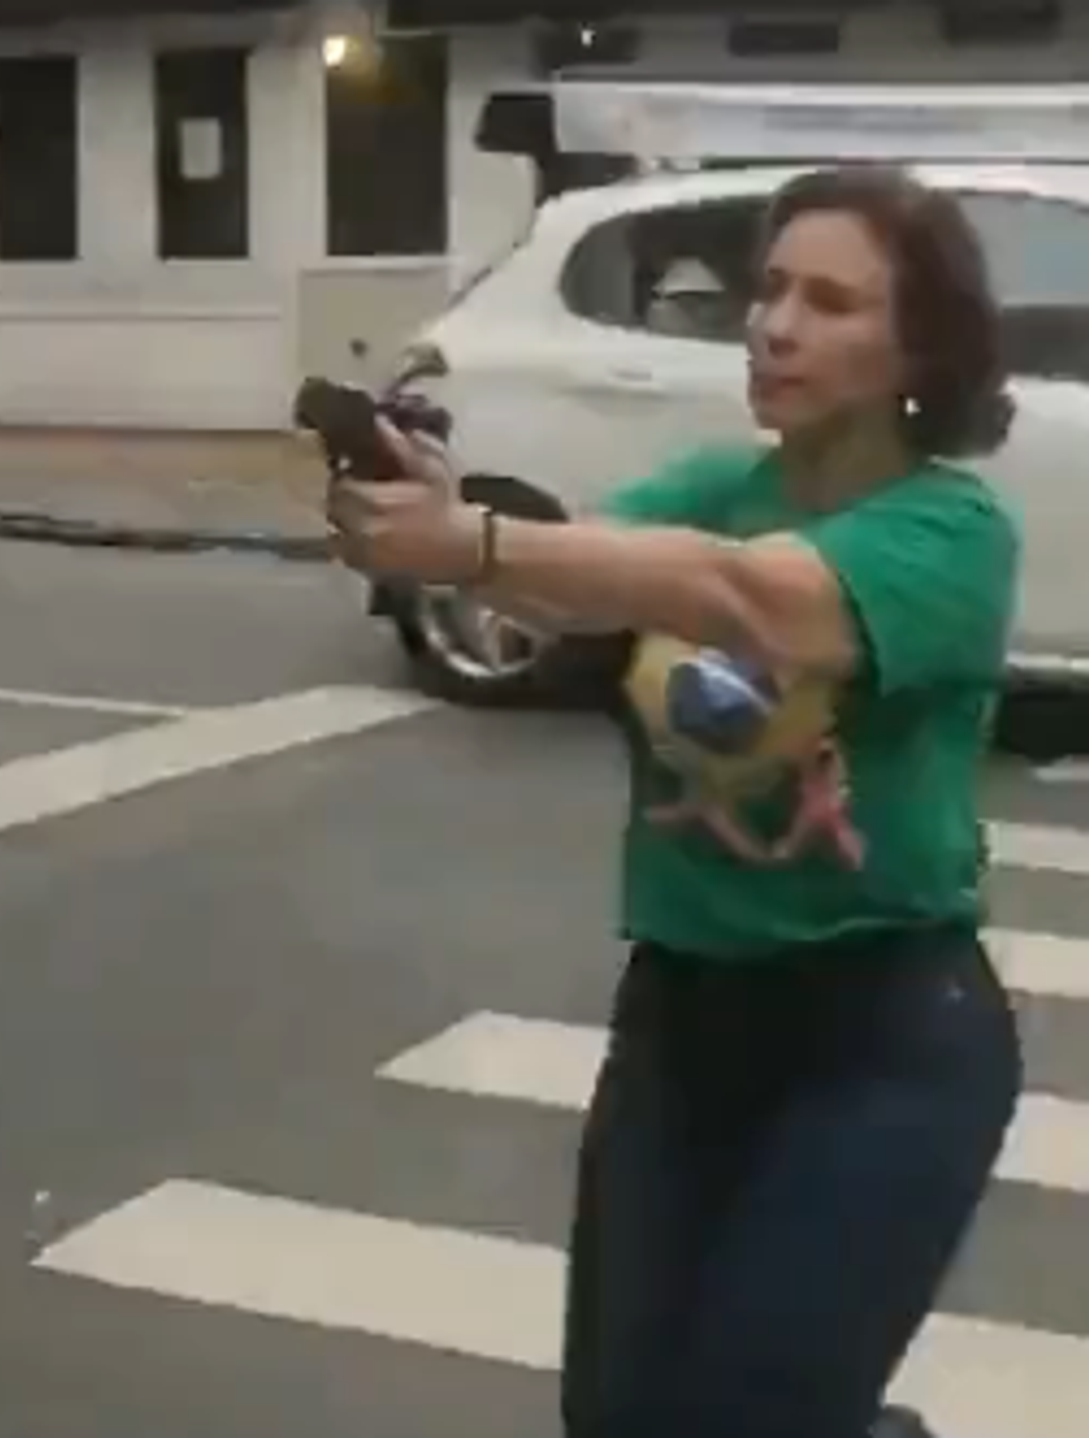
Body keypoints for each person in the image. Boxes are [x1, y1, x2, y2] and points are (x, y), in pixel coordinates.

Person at [326, 164, 1024, 1438]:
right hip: (685, 1024)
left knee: (750, 1415)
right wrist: (442, 515)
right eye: (770, 290)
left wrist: (473, 543)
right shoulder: (710, 487)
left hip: (881, 1036)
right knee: (621, 1418)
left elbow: (752, 597)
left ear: (921, 347)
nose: (776, 325)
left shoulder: (952, 531)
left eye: (831, 303)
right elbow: (577, 584)